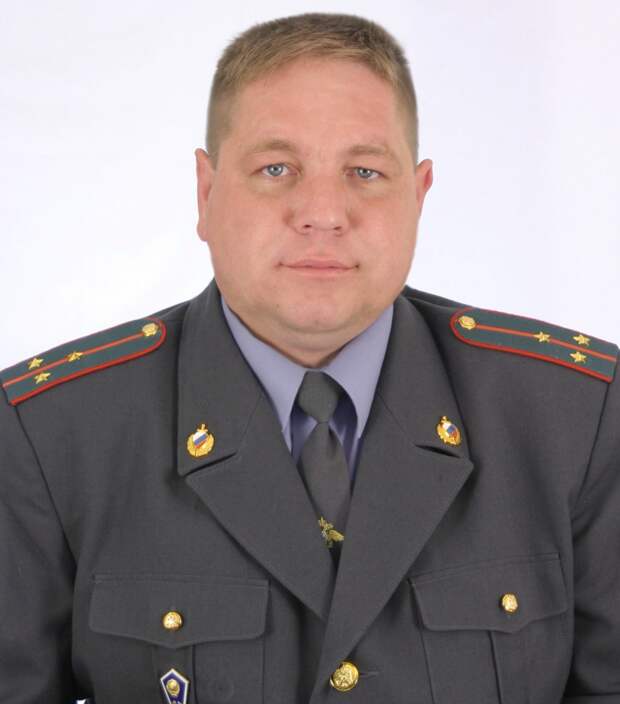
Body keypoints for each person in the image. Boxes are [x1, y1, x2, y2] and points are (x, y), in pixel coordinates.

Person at [0, 12, 618, 704]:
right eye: (276, 168)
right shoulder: (48, 437)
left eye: (364, 171)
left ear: (418, 197)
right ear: (206, 193)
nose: (323, 212)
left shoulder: (577, 420)